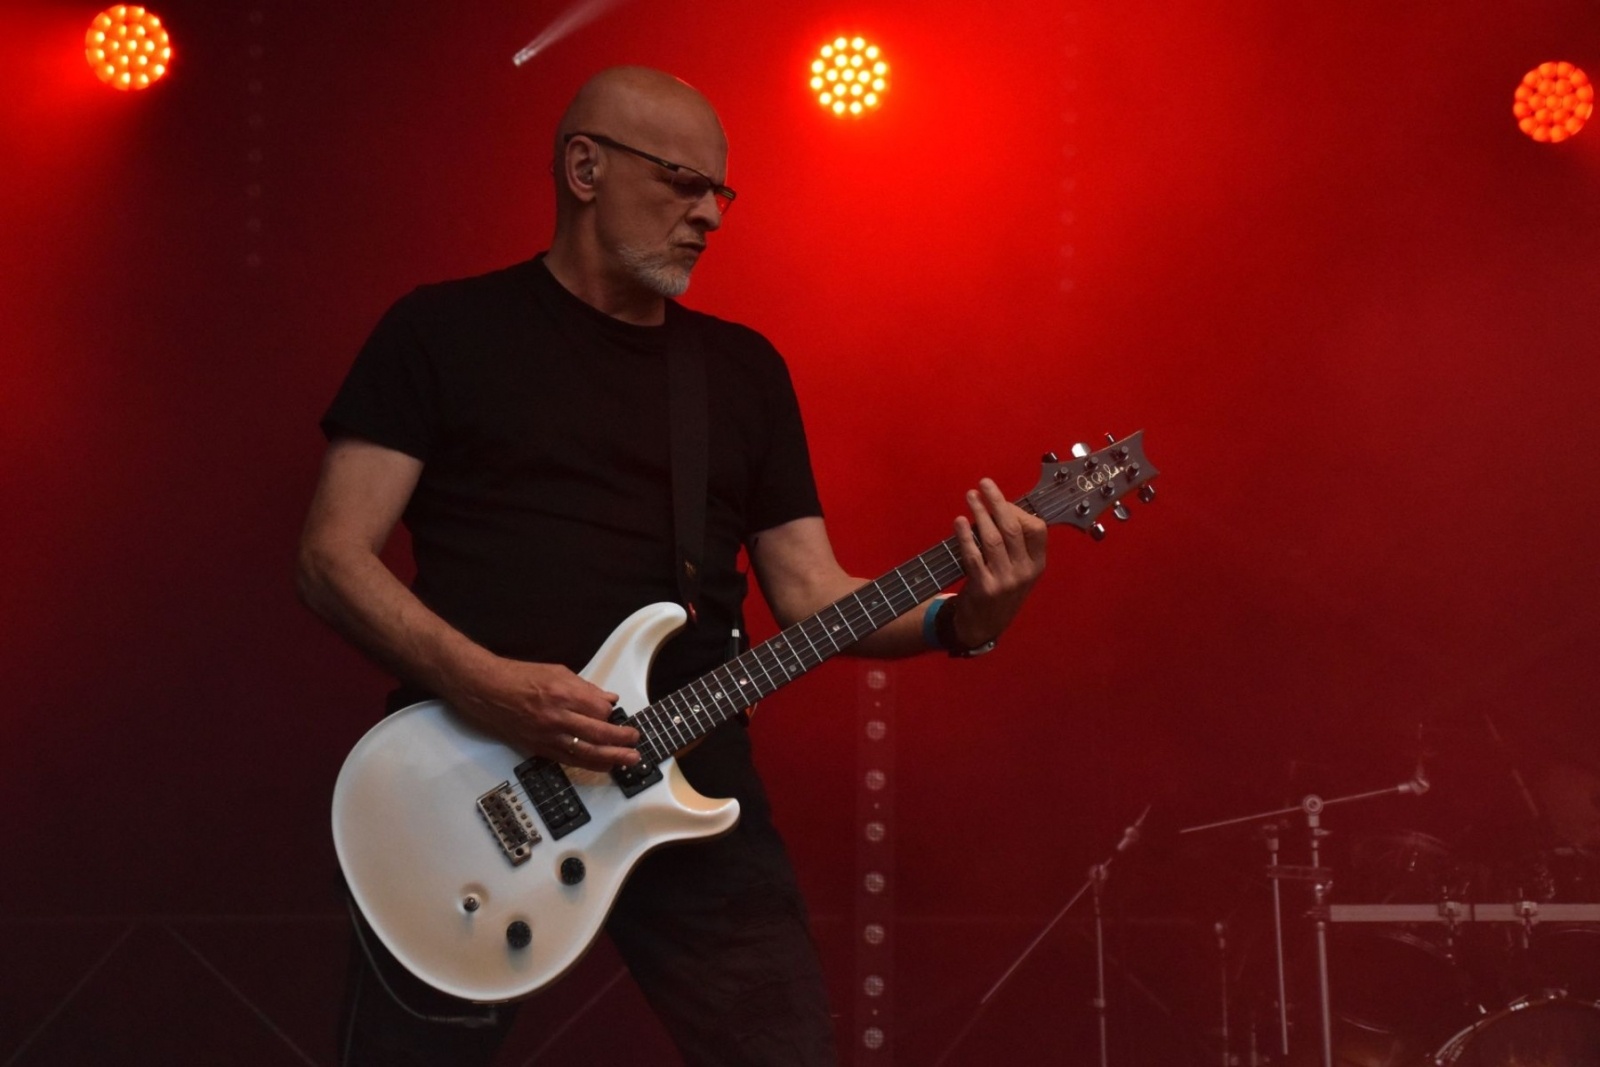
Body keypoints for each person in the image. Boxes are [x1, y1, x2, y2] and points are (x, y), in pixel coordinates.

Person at [296, 66, 1048, 1066]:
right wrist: (491, 686)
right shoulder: (441, 332)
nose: (710, 215)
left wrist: (965, 619)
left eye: (721, 193)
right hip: (465, 780)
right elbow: (330, 557)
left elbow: (813, 594)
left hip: (691, 775)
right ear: (585, 168)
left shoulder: (740, 372)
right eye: (685, 183)